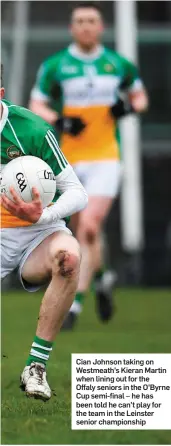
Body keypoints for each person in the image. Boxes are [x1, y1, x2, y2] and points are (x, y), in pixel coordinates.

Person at [29, 1, 148, 329]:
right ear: (72, 28)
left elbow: (140, 98)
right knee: (83, 231)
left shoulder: (118, 64)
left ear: (100, 27)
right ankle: (103, 278)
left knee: (90, 227)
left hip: (106, 157)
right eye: (79, 21)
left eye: (91, 21)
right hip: (70, 161)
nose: (85, 26)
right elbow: (36, 103)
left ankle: (75, 306)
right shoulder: (56, 65)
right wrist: (60, 120)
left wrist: (127, 108)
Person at [0, 63, 88, 400]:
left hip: (39, 232)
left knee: (69, 257)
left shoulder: (32, 130)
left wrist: (42, 215)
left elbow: (77, 192)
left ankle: (35, 368)